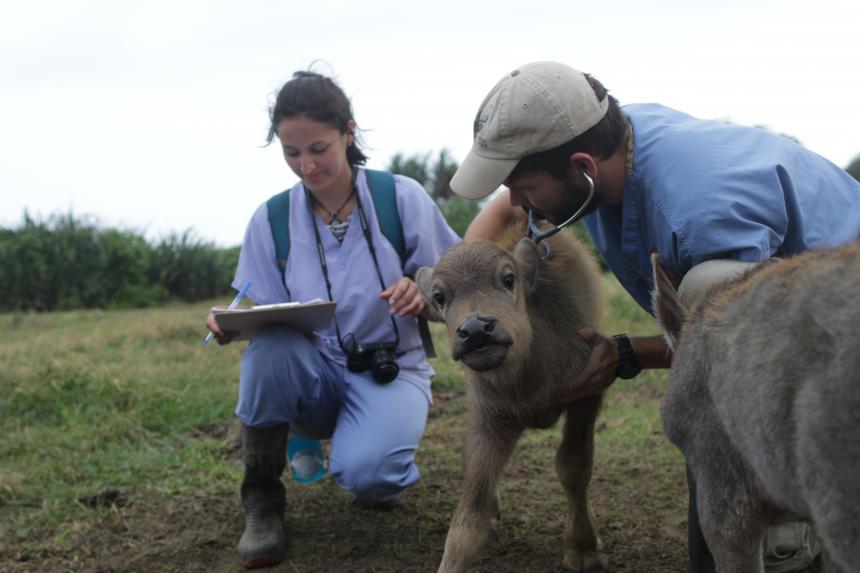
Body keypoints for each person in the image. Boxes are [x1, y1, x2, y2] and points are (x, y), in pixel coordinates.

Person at [450, 61, 860, 573]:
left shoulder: (696, 219)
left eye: (523, 184)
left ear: (581, 167)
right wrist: (463, 278)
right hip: (783, 310)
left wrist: (624, 353)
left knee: (708, 309)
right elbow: (503, 213)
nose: (516, 200)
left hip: (831, 339)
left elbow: (732, 342)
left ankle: (786, 536)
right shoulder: (614, 139)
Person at [206, 70, 460, 569]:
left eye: (318, 148)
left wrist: (423, 291)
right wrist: (232, 322)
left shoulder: (399, 198)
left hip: (391, 368)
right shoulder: (271, 219)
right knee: (270, 349)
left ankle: (364, 456)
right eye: (291, 153)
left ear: (349, 131)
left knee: (370, 478)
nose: (306, 165)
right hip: (314, 373)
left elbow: (457, 287)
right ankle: (262, 499)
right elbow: (262, 309)